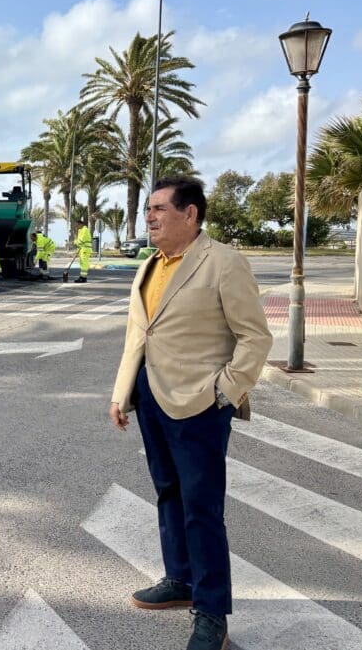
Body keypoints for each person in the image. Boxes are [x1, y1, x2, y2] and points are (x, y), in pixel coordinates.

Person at [107, 175, 272, 650]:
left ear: (190, 214)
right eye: (148, 211)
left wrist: (225, 391)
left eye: (159, 209)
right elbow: (138, 335)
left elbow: (255, 337)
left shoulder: (223, 263)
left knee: (202, 507)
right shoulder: (150, 267)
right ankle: (179, 580)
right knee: (168, 493)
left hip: (200, 402)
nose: (150, 217)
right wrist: (122, 393)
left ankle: (212, 611)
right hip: (151, 398)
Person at [73, 217, 92, 283]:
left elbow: (81, 240)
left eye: (77, 225)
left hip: (85, 249)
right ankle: (82, 277)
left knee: (84, 263)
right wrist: (77, 251)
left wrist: (75, 241)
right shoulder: (80, 230)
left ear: (80, 224)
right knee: (82, 263)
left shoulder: (85, 230)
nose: (76, 227)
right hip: (82, 249)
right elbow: (80, 243)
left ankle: (83, 278)